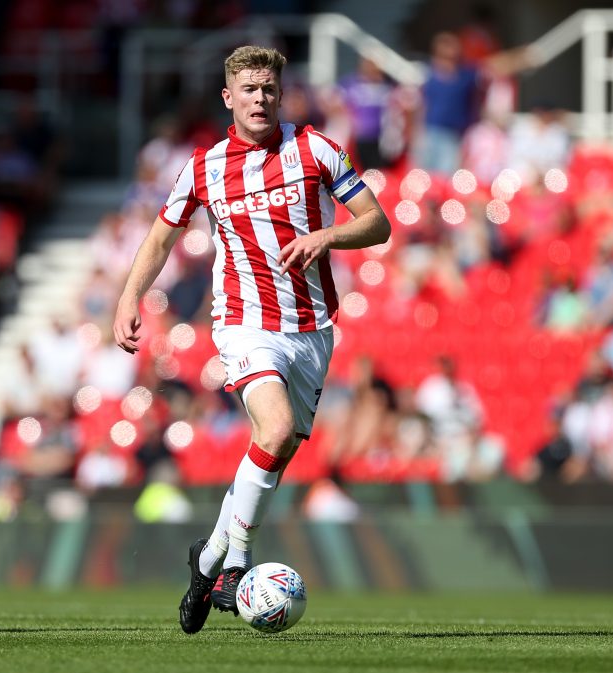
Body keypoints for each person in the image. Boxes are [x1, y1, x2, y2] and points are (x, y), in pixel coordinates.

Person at [112, 45, 390, 635]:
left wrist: (328, 236)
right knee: (276, 429)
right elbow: (161, 239)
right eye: (249, 90)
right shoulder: (204, 167)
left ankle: (206, 557)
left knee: (280, 449)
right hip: (244, 322)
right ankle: (235, 564)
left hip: (312, 328)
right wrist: (129, 297)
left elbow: (377, 221)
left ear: (279, 94)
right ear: (228, 97)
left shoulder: (314, 149)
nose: (260, 99)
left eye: (269, 89)